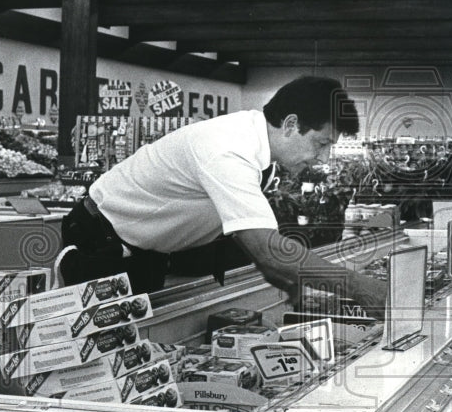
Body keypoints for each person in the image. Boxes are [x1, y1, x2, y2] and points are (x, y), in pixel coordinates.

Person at [59, 76, 388, 318]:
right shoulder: (229, 149)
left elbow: (249, 236)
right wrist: (359, 286)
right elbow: (267, 247)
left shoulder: (260, 154)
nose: (325, 159)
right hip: (99, 244)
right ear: (290, 125)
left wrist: (285, 274)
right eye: (321, 144)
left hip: (142, 251)